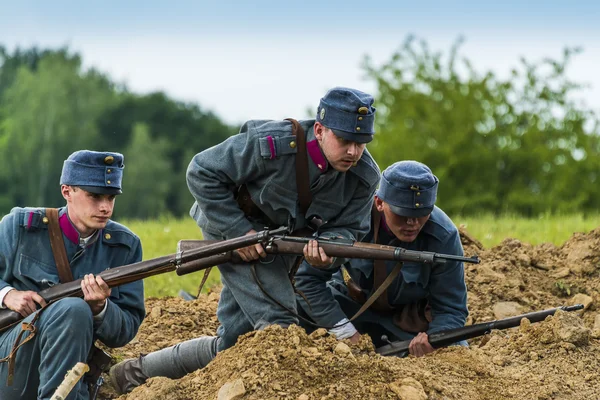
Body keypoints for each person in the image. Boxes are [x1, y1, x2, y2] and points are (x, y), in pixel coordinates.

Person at [109, 87, 381, 394]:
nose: (353, 152)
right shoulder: (276, 144)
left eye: (360, 144)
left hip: (284, 243)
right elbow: (201, 172)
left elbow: (350, 228)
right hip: (228, 226)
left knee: (234, 341)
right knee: (279, 328)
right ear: (319, 130)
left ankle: (131, 374)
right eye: (345, 140)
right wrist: (239, 232)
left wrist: (329, 248)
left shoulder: (366, 176)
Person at [0, 150, 145, 400]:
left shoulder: (125, 246)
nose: (105, 207)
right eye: (95, 196)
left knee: (75, 311)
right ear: (67, 191)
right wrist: (7, 295)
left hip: (72, 373)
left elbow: (125, 331)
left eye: (111, 198)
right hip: (10, 365)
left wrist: (100, 308)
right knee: (73, 310)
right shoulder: (21, 227)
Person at [295, 160, 468, 356]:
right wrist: (345, 332)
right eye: (402, 214)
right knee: (292, 315)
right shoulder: (353, 218)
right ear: (379, 202)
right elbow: (307, 280)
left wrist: (434, 340)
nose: (412, 223)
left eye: (421, 213)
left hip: (408, 324)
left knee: (455, 353)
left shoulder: (444, 235)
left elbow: (451, 308)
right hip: (352, 309)